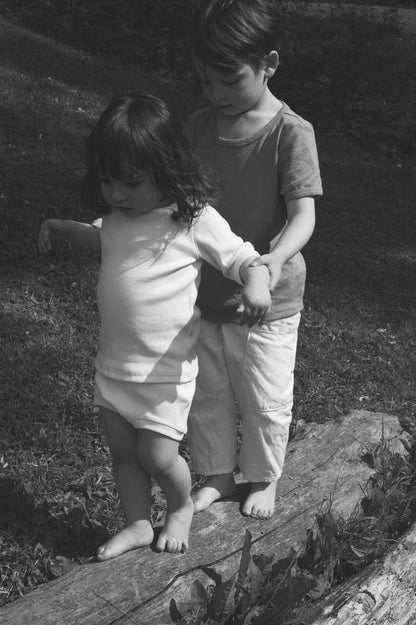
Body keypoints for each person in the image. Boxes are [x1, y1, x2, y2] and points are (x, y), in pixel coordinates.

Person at [38, 93, 271, 560]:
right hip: (115, 368)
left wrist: (257, 285)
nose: (117, 194)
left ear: (167, 169)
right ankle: (138, 523)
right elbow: (99, 236)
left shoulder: (192, 218)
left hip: (164, 375)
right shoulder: (120, 218)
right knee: (124, 454)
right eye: (107, 181)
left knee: (158, 456)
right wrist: (64, 228)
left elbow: (245, 258)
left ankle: (180, 506)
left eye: (130, 182)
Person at [185, 0, 323, 520]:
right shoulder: (198, 127)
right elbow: (184, 207)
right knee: (209, 394)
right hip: (206, 295)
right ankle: (218, 474)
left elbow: (303, 216)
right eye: (204, 82)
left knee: (263, 396)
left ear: (268, 63)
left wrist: (270, 263)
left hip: (268, 300)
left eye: (228, 79)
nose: (216, 94)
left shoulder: (291, 132)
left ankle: (262, 476)